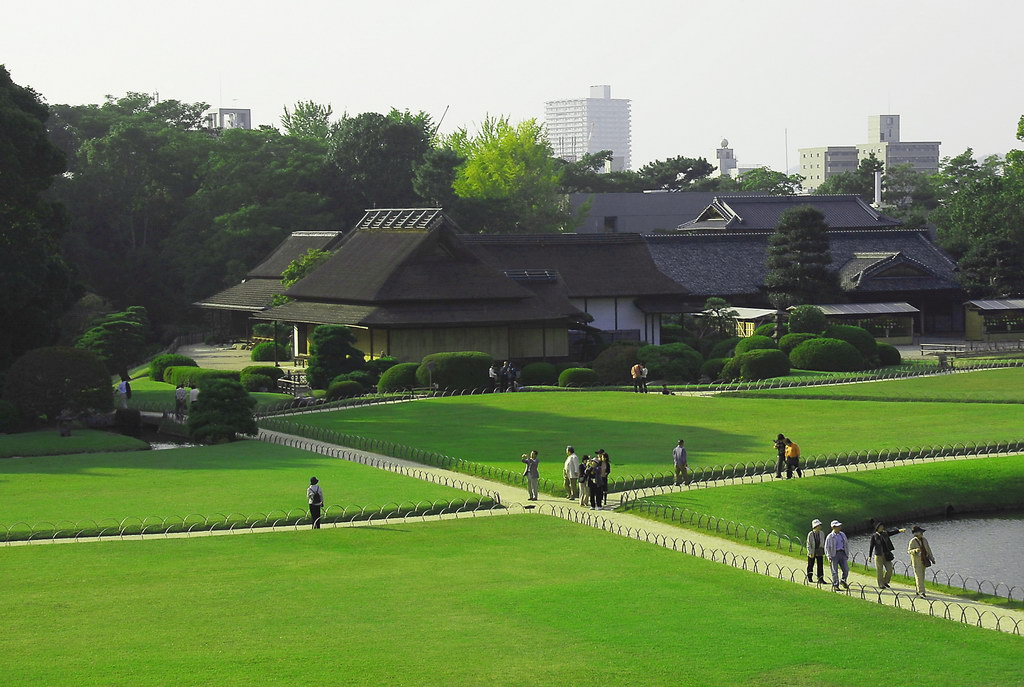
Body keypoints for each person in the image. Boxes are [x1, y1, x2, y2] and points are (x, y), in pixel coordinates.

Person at [868, 522, 907, 589]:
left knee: (890, 569)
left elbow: (892, 533)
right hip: (878, 555)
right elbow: (871, 546)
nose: (882, 527)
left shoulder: (885, 533)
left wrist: (899, 530)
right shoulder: (874, 536)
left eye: (882, 526)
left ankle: (885, 581)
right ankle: (881, 584)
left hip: (886, 554)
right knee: (879, 570)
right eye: (880, 526)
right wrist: (870, 556)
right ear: (877, 528)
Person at [907, 525, 936, 597]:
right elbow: (909, 551)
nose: (922, 534)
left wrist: (932, 558)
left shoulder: (924, 540)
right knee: (918, 576)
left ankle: (918, 590)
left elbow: (928, 550)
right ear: (916, 533)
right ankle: (921, 592)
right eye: (921, 532)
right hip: (916, 562)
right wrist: (915, 550)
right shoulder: (912, 541)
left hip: (924, 560)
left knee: (922, 576)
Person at [824, 520, 850, 590]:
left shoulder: (842, 535)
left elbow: (846, 544)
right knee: (834, 571)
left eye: (839, 526)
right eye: (837, 526)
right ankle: (835, 584)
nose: (839, 527)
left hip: (842, 553)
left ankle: (843, 580)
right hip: (834, 554)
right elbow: (827, 547)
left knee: (846, 569)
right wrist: (828, 556)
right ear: (833, 527)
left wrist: (846, 554)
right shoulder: (830, 536)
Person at [806, 519, 826, 583]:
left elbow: (822, 542)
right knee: (810, 565)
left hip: (819, 551)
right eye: (819, 525)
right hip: (812, 551)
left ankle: (820, 578)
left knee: (820, 565)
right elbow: (808, 544)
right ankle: (810, 577)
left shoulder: (822, 533)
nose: (820, 526)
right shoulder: (810, 534)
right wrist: (810, 552)